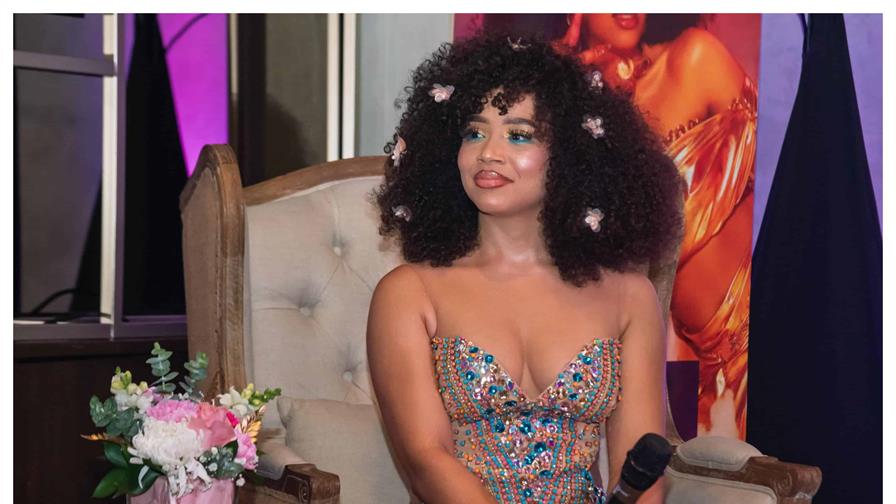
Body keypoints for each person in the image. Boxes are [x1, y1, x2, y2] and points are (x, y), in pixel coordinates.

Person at [367, 32, 683, 504]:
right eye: (474, 133)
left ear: (570, 157)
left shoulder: (630, 296)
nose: (488, 152)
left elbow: (639, 472)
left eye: (518, 135)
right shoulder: (409, 292)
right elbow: (426, 459)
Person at [555, 14, 756, 438]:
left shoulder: (693, 57)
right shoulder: (572, 101)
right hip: (684, 363)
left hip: (753, 342)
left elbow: (779, 185)